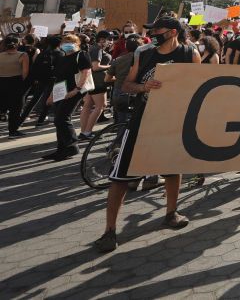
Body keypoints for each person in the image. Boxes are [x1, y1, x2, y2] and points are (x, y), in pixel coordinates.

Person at [95, 17, 200, 253]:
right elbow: (126, 85)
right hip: (142, 120)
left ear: (172, 32)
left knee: (172, 169)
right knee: (121, 176)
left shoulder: (189, 54)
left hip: (172, 122)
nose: (153, 34)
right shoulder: (143, 54)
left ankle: (171, 213)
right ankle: (109, 231)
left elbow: (198, 86)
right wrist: (144, 87)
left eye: (158, 30)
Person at [45, 34, 93, 161]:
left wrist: (76, 90)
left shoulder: (81, 55)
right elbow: (59, 78)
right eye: (65, 41)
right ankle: (61, 149)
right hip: (62, 90)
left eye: (70, 41)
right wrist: (51, 95)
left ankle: (72, 146)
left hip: (75, 90)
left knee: (62, 118)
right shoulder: (63, 57)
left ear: (77, 43)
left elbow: (86, 73)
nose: (67, 44)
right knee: (58, 119)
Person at [78, 31, 113, 141]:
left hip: (92, 80)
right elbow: (95, 67)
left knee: (88, 106)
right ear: (102, 39)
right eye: (109, 39)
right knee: (100, 106)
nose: (110, 42)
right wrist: (110, 66)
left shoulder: (94, 48)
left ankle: (84, 132)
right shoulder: (97, 49)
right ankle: (87, 132)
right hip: (97, 82)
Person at [0, 35, 29, 138]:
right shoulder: (23, 55)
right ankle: (13, 131)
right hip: (16, 83)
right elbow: (25, 73)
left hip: (1, 82)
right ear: (17, 44)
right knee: (15, 109)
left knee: (2, 106)